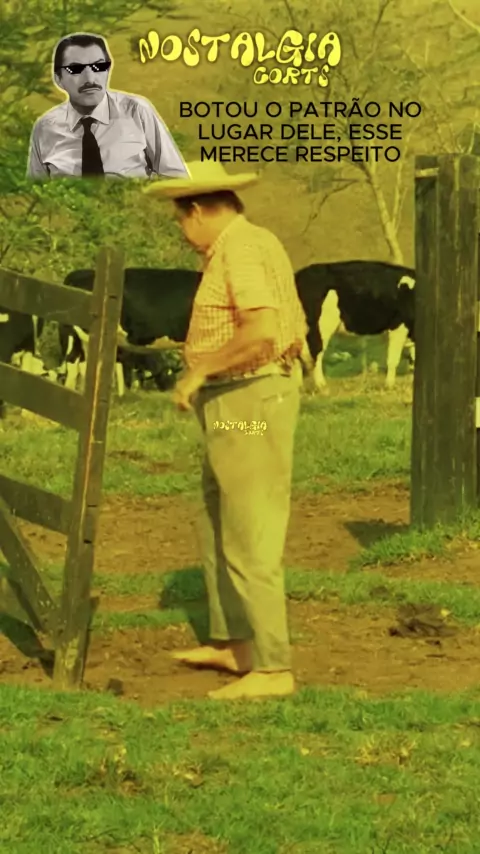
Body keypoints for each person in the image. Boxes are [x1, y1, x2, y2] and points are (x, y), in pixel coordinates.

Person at [145, 161, 308, 701]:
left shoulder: (238, 251)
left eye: (179, 220)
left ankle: (273, 667)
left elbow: (261, 330)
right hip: (237, 403)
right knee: (216, 509)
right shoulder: (253, 242)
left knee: (249, 523)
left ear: (196, 211)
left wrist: (200, 371)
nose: (181, 231)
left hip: (249, 401)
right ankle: (238, 643)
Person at [26, 32, 189, 179]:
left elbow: (175, 178)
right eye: (75, 69)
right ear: (58, 79)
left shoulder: (137, 111)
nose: (90, 79)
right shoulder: (45, 128)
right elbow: (33, 193)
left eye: (99, 66)